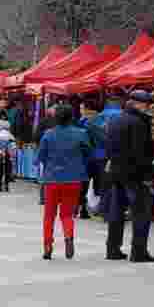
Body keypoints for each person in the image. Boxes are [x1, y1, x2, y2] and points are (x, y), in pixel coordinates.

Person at [104, 90, 154, 263]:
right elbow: (140, 152)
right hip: (135, 174)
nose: (148, 107)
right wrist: (147, 175)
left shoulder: (114, 120)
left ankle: (112, 249)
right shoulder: (139, 123)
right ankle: (139, 251)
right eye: (146, 104)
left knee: (116, 211)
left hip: (116, 172)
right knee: (141, 212)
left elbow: (109, 148)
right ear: (136, 103)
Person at [36, 105, 91, 260]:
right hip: (74, 178)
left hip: (52, 178)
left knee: (49, 215)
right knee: (67, 214)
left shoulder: (48, 134)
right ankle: (68, 237)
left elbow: (40, 157)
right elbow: (88, 153)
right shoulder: (81, 134)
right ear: (71, 117)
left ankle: (47, 246)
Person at [0, 120, 17, 192]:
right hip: (8, 153)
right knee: (7, 169)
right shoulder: (10, 135)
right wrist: (13, 155)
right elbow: (13, 146)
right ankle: (6, 185)